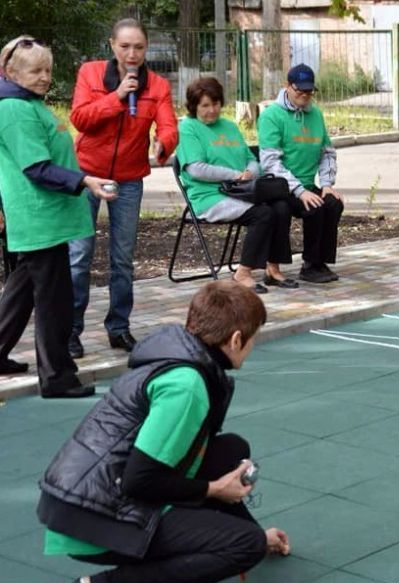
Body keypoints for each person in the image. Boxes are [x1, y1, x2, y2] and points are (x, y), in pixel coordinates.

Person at [37, 280, 291, 583]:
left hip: (83, 499)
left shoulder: (179, 356)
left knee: (231, 450)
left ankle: (191, 561)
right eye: (254, 338)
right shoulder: (187, 386)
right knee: (244, 546)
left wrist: (258, 531)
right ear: (237, 339)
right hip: (93, 518)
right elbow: (139, 480)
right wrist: (218, 495)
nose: (253, 346)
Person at [0, 35, 116, 396]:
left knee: (21, 290)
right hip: (40, 218)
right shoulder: (15, 110)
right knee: (54, 300)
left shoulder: (29, 103)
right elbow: (36, 167)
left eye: (47, 69)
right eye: (35, 70)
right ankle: (56, 377)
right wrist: (85, 181)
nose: (44, 77)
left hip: (44, 217)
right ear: (11, 72)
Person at [68, 18, 178, 359]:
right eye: (125, 46)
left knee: (123, 259)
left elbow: (169, 126)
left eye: (139, 47)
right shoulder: (90, 73)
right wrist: (116, 97)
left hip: (129, 178)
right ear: (113, 46)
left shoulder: (157, 85)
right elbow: (80, 119)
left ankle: (118, 327)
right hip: (86, 174)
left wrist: (164, 143)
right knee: (79, 257)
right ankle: (70, 331)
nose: (132, 54)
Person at [177, 77, 296, 293]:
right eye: (205, 105)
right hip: (209, 196)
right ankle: (243, 272)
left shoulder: (230, 126)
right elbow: (196, 169)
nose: (212, 110)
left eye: (216, 104)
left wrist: (251, 171)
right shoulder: (188, 128)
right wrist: (235, 175)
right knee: (262, 214)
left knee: (281, 206)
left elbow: (251, 158)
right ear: (194, 106)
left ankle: (273, 269)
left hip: (240, 191)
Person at [258, 63, 344, 284]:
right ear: (287, 86)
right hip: (279, 186)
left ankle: (315, 263)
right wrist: (298, 190)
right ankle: (307, 264)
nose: (305, 95)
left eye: (309, 91)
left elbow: (327, 152)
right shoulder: (271, 116)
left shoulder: (315, 115)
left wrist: (326, 184)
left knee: (332, 202)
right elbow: (270, 162)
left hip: (306, 184)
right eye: (300, 90)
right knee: (313, 205)